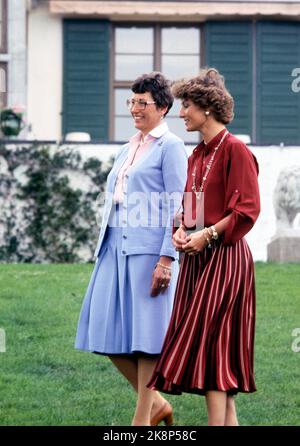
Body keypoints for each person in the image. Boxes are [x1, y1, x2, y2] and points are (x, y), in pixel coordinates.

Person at [148, 68, 261, 426]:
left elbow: (246, 210)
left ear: (207, 108)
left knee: (215, 348)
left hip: (226, 261)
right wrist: (181, 231)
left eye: (187, 106)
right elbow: (190, 211)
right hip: (197, 261)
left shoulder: (236, 150)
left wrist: (207, 235)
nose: (181, 113)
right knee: (212, 348)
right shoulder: (197, 155)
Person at [75, 72, 188, 426]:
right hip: (113, 246)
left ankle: (142, 419)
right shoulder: (128, 146)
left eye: (143, 103)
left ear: (164, 107)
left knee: (146, 338)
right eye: (132, 102)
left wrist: (167, 258)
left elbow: (183, 205)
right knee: (102, 331)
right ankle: (156, 403)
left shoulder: (170, 147)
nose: (135, 109)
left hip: (149, 250)